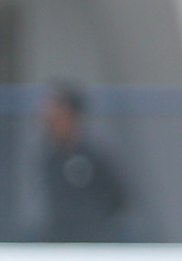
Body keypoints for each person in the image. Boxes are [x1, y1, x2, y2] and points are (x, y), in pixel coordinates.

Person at [38, 83, 128, 242]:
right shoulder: (49, 156)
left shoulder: (94, 154)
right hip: (59, 239)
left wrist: (94, 221)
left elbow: (119, 197)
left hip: (92, 241)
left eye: (57, 115)